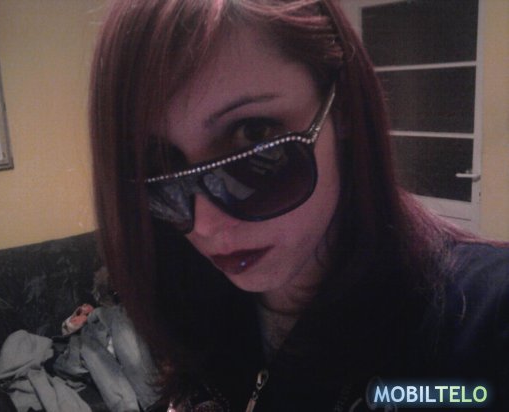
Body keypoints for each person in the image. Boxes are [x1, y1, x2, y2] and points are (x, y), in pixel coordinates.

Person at [89, 0, 509, 410]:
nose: (206, 225)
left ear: (341, 108)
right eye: (161, 163)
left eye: (253, 134)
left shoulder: (484, 323)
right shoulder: (190, 301)